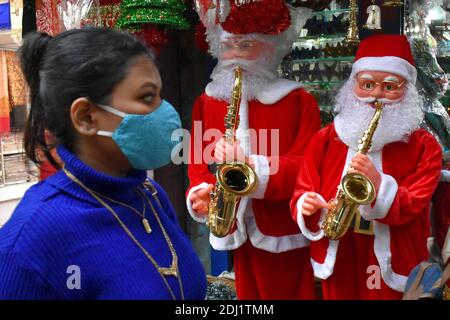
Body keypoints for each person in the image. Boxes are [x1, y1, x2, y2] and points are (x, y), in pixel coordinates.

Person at [0, 28, 207, 300]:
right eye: (147, 97)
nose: (165, 111)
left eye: (160, 95)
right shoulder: (31, 237)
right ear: (86, 116)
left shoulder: (149, 195)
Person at [290, 34, 443, 299]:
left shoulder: (424, 145)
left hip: (393, 254)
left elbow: (415, 202)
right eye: (368, 84)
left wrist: (379, 184)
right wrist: (306, 204)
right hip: (340, 248)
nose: (377, 95)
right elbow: (303, 188)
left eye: (390, 86)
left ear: (407, 90)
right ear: (353, 86)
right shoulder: (326, 138)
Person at [186, 0, 321, 299]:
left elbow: (307, 167)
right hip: (232, 224)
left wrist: (251, 166)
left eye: (245, 46)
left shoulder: (299, 101)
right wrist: (200, 193)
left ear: (270, 47)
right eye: (228, 46)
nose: (233, 56)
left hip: (281, 227)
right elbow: (197, 163)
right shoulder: (206, 101)